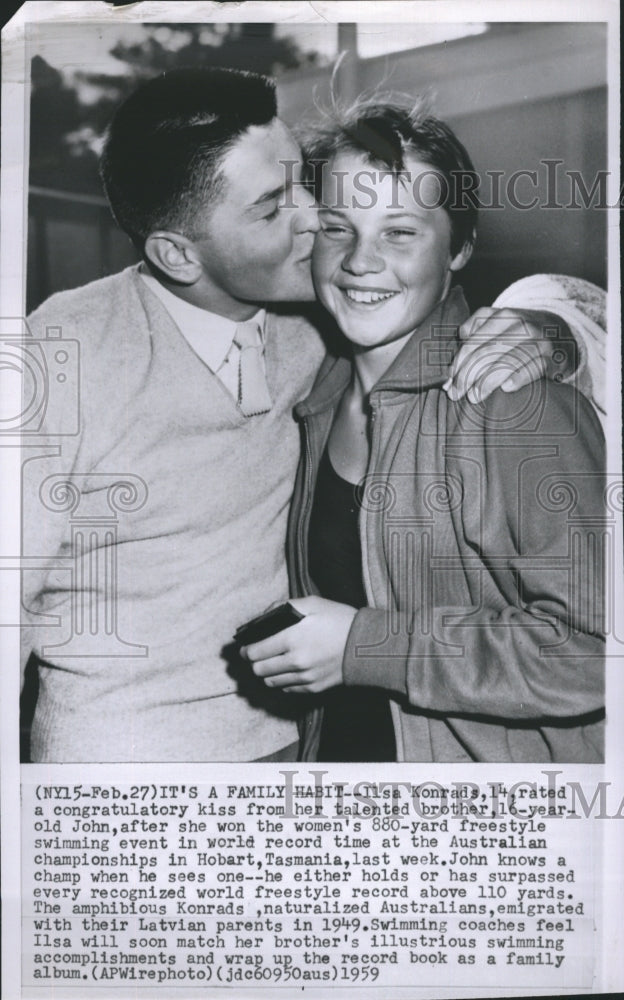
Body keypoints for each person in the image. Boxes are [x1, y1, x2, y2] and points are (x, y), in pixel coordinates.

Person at [21, 68, 604, 762]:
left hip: (364, 768)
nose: (318, 224)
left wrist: (554, 327)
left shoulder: (404, 356)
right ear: (178, 254)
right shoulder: (65, 355)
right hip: (130, 769)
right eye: (276, 208)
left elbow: (595, 645)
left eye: (305, 182)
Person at [242, 100, 605, 763]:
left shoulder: (511, 404)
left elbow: (593, 653)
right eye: (337, 227)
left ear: (459, 247)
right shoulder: (316, 397)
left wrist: (366, 647)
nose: (361, 261)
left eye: (400, 232)